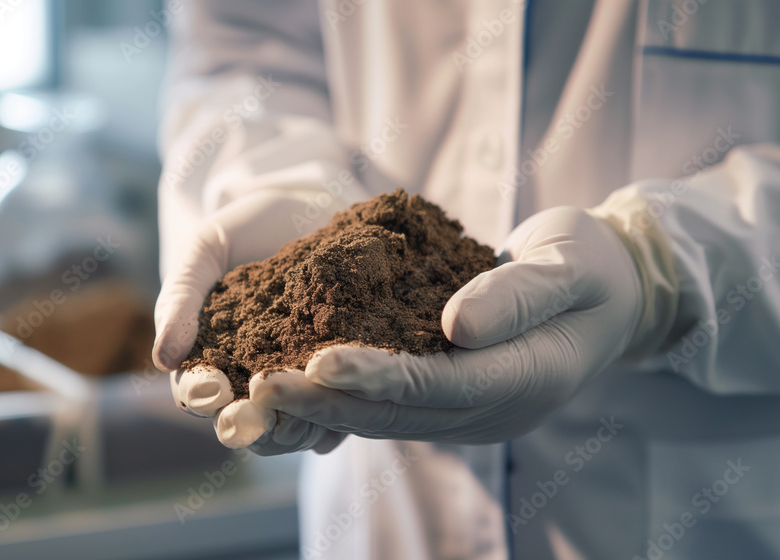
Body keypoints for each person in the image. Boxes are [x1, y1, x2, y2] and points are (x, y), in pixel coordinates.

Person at [151, 1, 780, 558]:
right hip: (384, 510)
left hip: (699, 500)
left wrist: (657, 266)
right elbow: (245, 53)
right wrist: (272, 182)